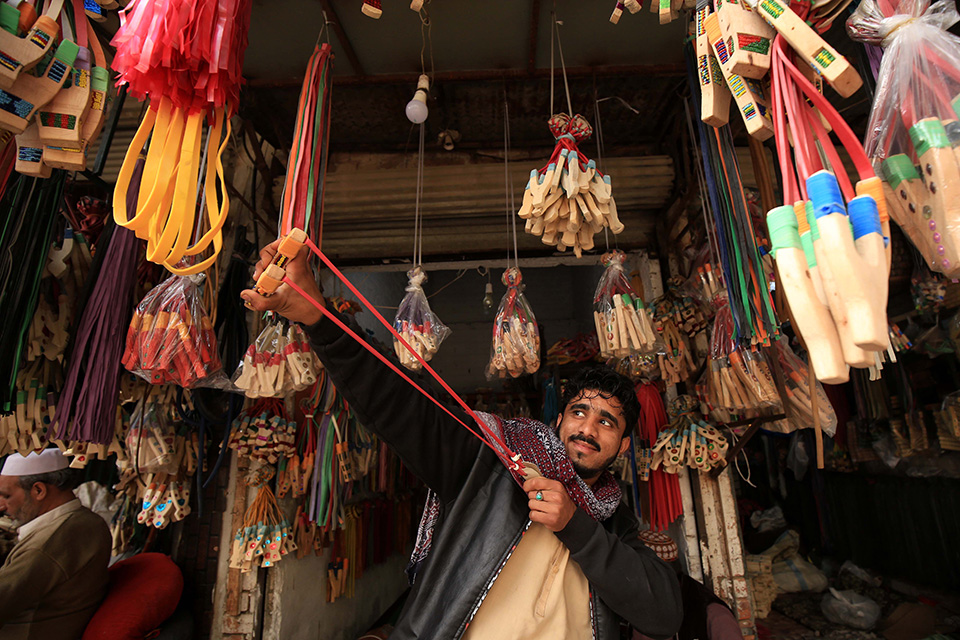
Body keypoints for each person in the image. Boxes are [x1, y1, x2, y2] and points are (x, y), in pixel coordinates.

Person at [242, 240, 683, 640]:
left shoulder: (615, 522)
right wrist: (316, 316)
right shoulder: (497, 467)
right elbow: (402, 406)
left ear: (624, 445)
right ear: (558, 419)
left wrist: (577, 528)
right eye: (580, 412)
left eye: (607, 422)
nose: (588, 428)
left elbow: (664, 616)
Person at [0, 448, 111, 639]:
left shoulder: (46, 544)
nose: (1, 506)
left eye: (6, 496)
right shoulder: (89, 521)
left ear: (38, 490)